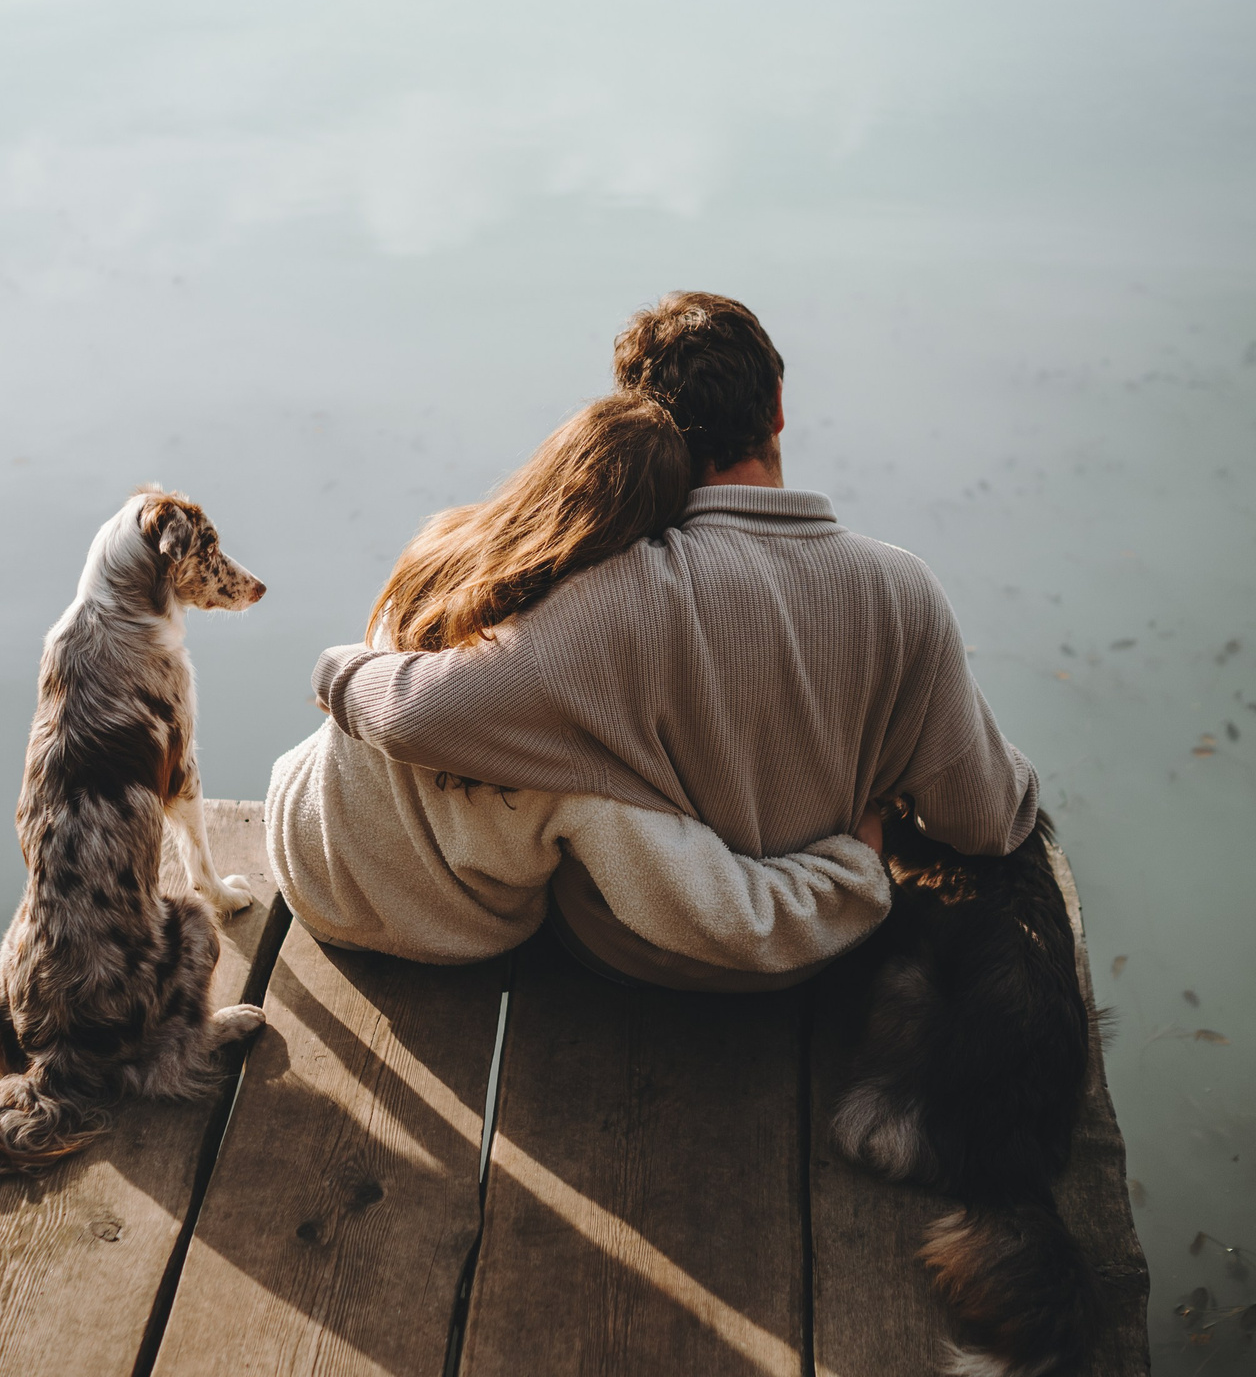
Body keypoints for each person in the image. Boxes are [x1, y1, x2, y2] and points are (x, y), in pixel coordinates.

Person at [293, 292, 1037, 990]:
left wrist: (339, 670)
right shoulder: (903, 591)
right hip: (818, 956)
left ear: (647, 430)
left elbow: (417, 716)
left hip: (630, 962)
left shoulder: (611, 598)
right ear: (778, 407)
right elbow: (987, 820)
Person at [267, 392, 891, 985]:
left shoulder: (441, 558)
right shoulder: (578, 727)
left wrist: (334, 671)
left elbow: (396, 703)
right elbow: (726, 918)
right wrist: (855, 870)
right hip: (431, 929)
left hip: (297, 840)